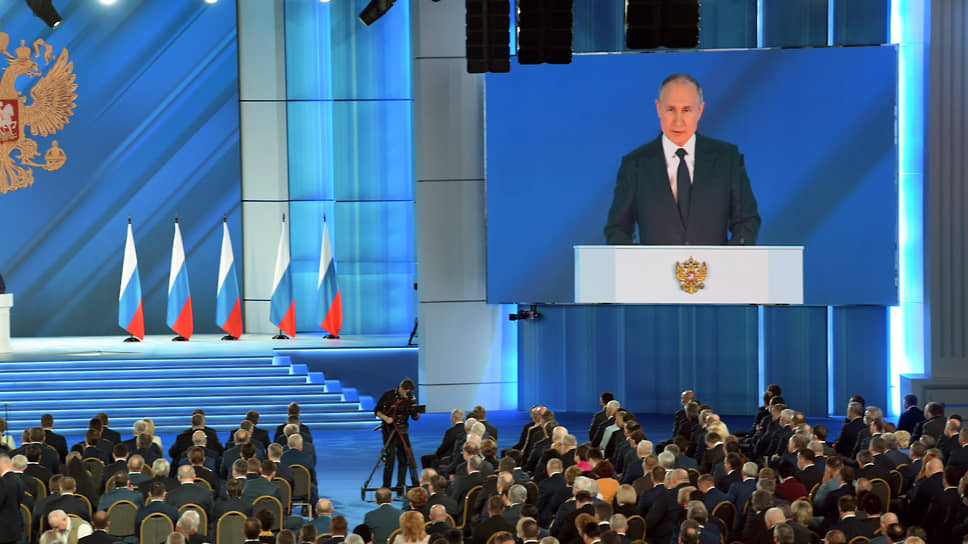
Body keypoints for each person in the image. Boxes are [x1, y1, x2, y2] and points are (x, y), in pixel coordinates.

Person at [604, 73, 760, 246]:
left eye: (686, 110)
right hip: (655, 264)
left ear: (700, 110)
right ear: (658, 108)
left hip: (715, 264)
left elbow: (747, 220)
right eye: (671, 110)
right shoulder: (635, 164)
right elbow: (617, 229)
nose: (678, 122)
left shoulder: (727, 158)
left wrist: (731, 257)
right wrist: (635, 259)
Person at [375, 379, 421, 491]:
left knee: (404, 458)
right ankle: (386, 486)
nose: (407, 394)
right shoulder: (388, 395)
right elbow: (377, 411)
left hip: (403, 430)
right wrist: (386, 418)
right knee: (390, 458)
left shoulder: (411, 397)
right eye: (406, 392)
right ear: (401, 388)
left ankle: (401, 485)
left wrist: (416, 411)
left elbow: (415, 417)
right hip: (389, 430)